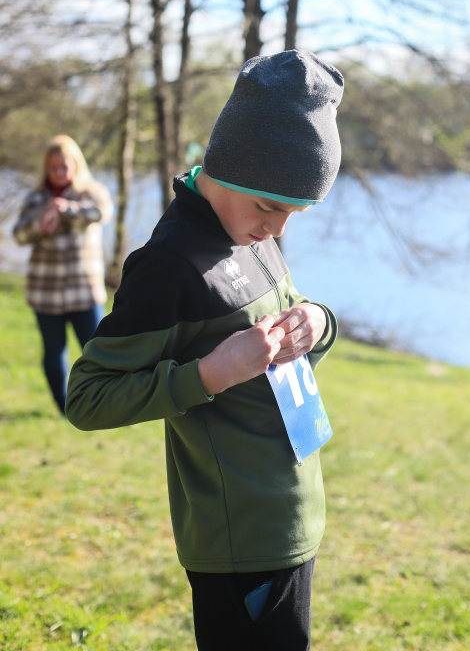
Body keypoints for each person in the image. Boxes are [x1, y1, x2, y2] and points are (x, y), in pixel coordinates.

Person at [66, 50, 344, 650]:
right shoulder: (169, 264)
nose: (279, 229)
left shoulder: (251, 230)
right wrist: (209, 374)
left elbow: (291, 321)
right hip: (239, 539)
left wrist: (316, 324)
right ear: (229, 170)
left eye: (296, 213)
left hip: (292, 514)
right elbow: (86, 399)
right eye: (271, 206)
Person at [13, 135, 113, 415]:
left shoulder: (91, 193)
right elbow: (19, 235)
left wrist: (65, 210)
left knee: (97, 352)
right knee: (54, 353)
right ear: (46, 169)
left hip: (85, 292)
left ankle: (105, 402)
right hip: (45, 293)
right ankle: (65, 407)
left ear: (76, 165)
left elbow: (100, 213)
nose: (58, 173)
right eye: (53, 167)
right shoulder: (36, 199)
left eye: (64, 166)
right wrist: (40, 222)